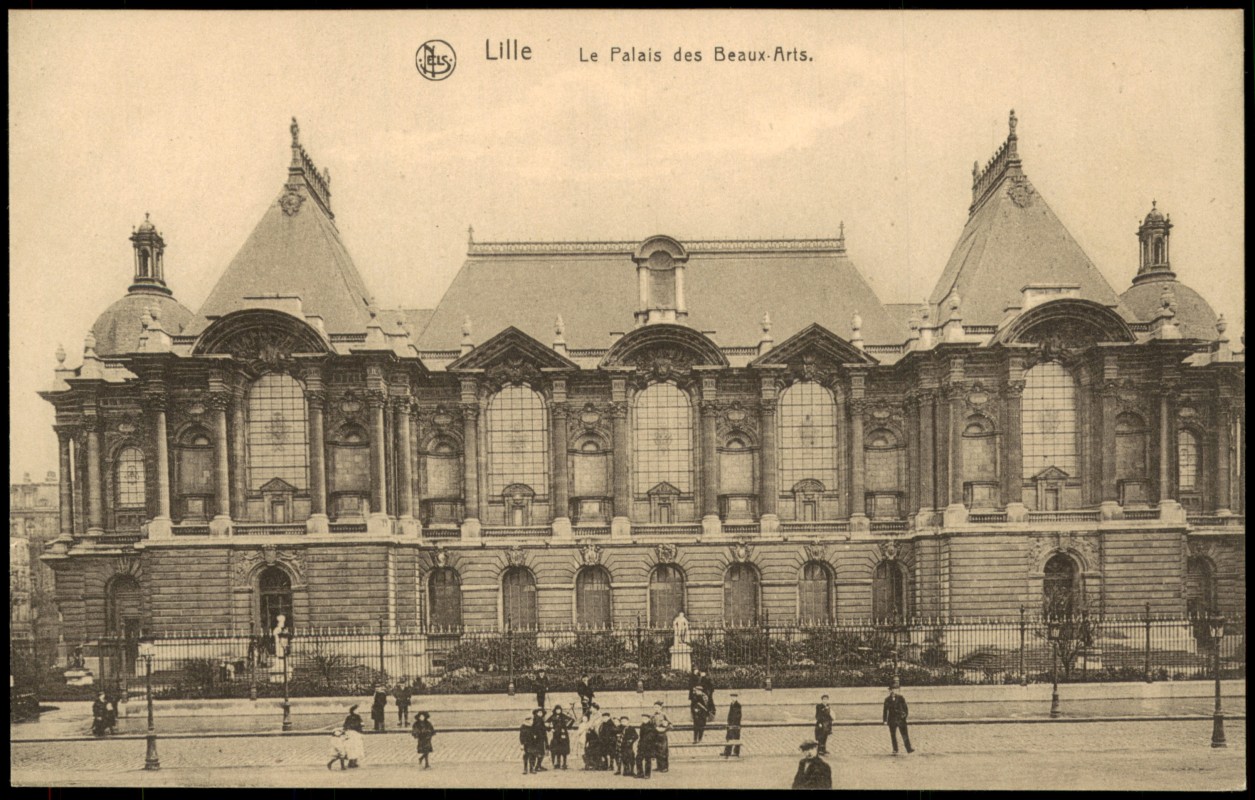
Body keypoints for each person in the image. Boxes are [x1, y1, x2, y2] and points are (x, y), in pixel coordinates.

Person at [883, 682, 914, 755]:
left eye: (895, 689)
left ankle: (908, 748)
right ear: (889, 690)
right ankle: (895, 749)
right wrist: (885, 720)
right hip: (892, 719)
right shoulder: (887, 699)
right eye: (892, 689)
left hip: (901, 719)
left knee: (905, 734)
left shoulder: (901, 698)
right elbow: (885, 710)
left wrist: (904, 716)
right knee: (893, 735)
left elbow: (905, 708)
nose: (893, 691)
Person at [548, 704, 572, 769]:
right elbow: (547, 722)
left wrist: (567, 726)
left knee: (564, 750)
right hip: (556, 735)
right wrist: (550, 728)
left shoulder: (563, 716)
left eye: (559, 710)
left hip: (563, 734)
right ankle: (558, 763)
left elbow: (571, 720)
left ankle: (564, 763)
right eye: (557, 710)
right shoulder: (552, 716)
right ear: (555, 710)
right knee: (557, 749)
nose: (558, 711)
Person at [652, 701, 672, 773]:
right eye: (655, 707)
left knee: (663, 751)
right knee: (657, 750)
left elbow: (671, 725)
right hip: (655, 735)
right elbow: (652, 725)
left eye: (657, 707)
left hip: (662, 735)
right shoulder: (652, 716)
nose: (656, 708)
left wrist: (665, 728)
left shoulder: (664, 715)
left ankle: (665, 767)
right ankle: (659, 766)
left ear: (661, 707)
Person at [636, 712, 656, 779]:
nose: (643, 719)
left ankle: (647, 774)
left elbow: (652, 737)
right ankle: (640, 773)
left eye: (645, 718)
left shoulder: (651, 726)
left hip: (648, 746)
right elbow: (641, 736)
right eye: (643, 718)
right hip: (641, 745)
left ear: (648, 719)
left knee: (648, 760)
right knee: (638, 759)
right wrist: (640, 744)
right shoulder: (642, 725)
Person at [722, 691, 742, 758]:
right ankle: (727, 752)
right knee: (729, 738)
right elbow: (730, 715)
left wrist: (733, 724)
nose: (733, 698)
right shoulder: (731, 704)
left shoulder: (738, 705)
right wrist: (728, 723)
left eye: (734, 697)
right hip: (730, 724)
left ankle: (736, 752)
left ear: (736, 698)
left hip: (735, 725)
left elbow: (737, 716)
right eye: (732, 697)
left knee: (736, 738)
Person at [529, 708, 549, 772]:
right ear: (536, 713)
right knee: (540, 752)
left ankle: (537, 766)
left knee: (540, 752)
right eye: (539, 712)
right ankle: (537, 766)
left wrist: (546, 726)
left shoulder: (540, 719)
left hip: (541, 738)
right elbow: (538, 729)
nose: (540, 714)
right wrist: (546, 726)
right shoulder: (537, 720)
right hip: (538, 739)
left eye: (541, 713)